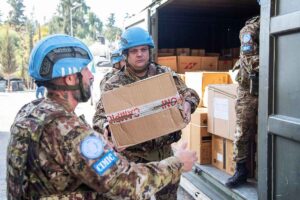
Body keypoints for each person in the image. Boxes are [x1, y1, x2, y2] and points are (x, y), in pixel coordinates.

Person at [6, 34, 198, 200]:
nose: (91, 77)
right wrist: (178, 163)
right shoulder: (69, 129)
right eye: (86, 70)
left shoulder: (29, 112)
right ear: (70, 78)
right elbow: (123, 182)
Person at [93, 27, 200, 200]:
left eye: (143, 50)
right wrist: (107, 128)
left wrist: (188, 103)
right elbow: (99, 117)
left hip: (164, 154)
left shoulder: (164, 74)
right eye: (134, 51)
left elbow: (189, 92)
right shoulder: (113, 84)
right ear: (125, 54)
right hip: (132, 158)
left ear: (149, 51)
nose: (139, 54)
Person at [225, 16, 260, 188]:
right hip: (249, 91)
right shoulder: (250, 30)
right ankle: (241, 170)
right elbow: (250, 60)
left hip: (273, 89)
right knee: (242, 131)